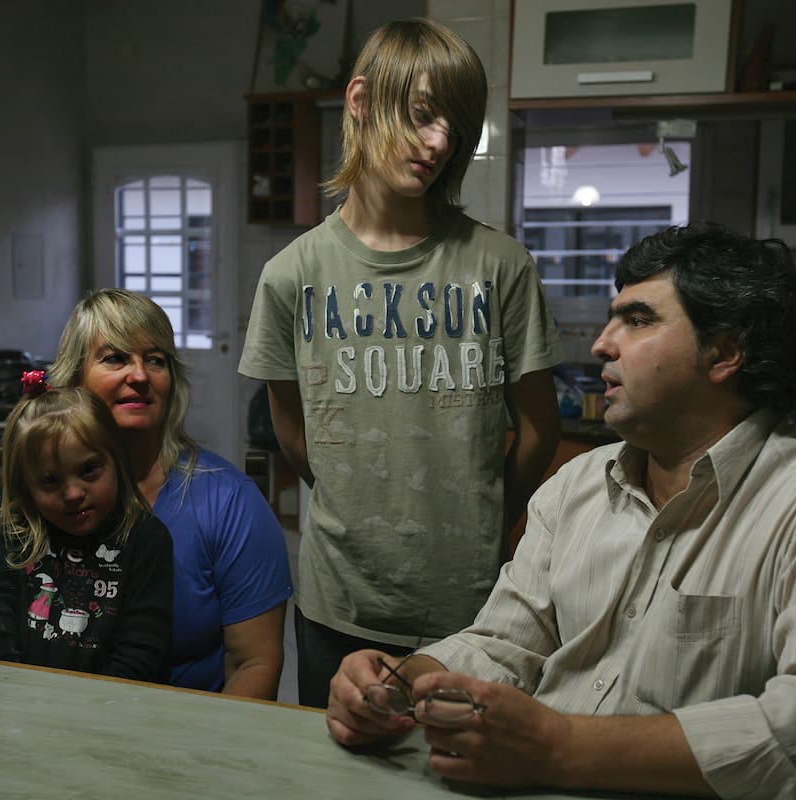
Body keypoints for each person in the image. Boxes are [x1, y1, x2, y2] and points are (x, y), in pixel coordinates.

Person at [325, 222, 796, 798]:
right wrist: (401, 682)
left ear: (723, 353)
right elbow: (507, 642)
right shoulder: (577, 483)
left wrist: (559, 747)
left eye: (638, 320)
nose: (601, 344)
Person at [238, 17, 564, 708]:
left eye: (455, 126)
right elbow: (293, 435)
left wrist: (481, 521)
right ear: (360, 100)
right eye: (421, 115)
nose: (440, 142)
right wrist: (357, 503)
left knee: (459, 759)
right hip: (338, 604)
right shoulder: (291, 276)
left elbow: (540, 430)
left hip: (475, 609)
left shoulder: (501, 267)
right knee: (334, 760)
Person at [48, 288, 292, 700]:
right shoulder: (41, 494)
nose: (140, 375)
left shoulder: (230, 503)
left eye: (155, 360)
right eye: (115, 358)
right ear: (74, 378)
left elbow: (254, 663)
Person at [0, 383, 175, 681]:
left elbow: (141, 648)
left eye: (89, 470)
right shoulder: (7, 526)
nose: (73, 494)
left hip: (112, 701)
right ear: (25, 486)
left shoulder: (146, 539)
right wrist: (13, 687)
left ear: (116, 460)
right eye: (50, 480)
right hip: (11, 692)